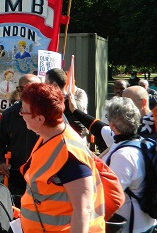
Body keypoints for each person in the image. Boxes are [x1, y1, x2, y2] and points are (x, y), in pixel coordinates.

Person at [18, 83, 105, 232]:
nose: (21, 115)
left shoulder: (70, 153)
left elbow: (83, 210)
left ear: (40, 119)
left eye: (24, 111)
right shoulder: (48, 137)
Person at [69, 95, 155, 232]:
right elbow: (98, 127)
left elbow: (110, 194)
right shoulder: (139, 141)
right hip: (144, 222)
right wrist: (74, 110)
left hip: (132, 227)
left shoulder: (124, 156)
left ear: (113, 125)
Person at [0, 74, 41, 196]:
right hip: (15, 178)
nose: (24, 92)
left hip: (43, 178)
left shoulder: (51, 113)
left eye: (29, 88)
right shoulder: (10, 114)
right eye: (20, 89)